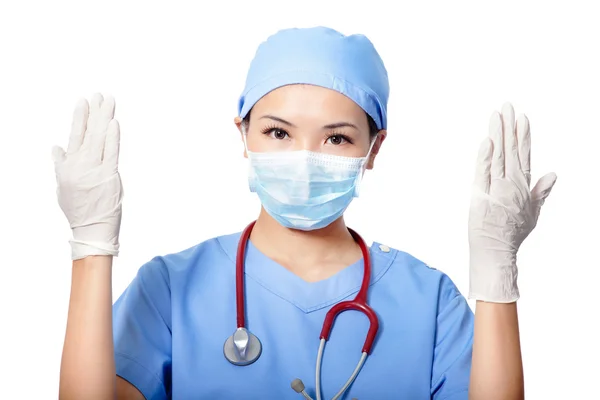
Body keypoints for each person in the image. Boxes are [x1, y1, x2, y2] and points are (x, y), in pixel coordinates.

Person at [54, 27, 557, 400]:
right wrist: (91, 246)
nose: (303, 158)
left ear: (374, 148)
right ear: (243, 135)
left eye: (336, 137)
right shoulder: (170, 288)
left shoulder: (430, 303)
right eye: (278, 132)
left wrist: (496, 274)